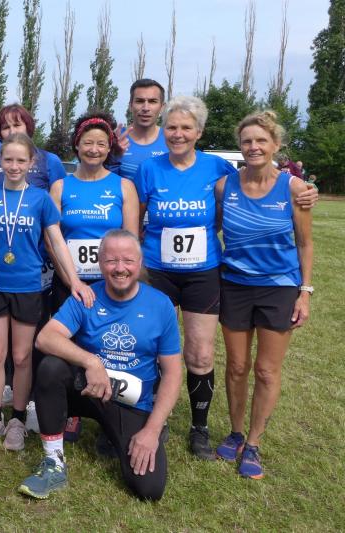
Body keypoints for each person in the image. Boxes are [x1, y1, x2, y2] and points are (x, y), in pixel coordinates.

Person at [134, 96, 318, 460]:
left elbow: (238, 207)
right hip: (158, 270)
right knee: (152, 347)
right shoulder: (151, 169)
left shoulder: (217, 169)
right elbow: (136, 217)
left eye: (186, 128)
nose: (178, 134)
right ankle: (154, 416)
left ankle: (200, 427)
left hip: (204, 273)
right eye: (172, 127)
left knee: (201, 353)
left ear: (199, 132)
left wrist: (303, 188)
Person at [18, 229, 181, 501]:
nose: (120, 268)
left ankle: (119, 432)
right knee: (50, 368)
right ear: (99, 262)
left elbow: (173, 373)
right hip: (88, 387)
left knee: (149, 489)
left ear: (140, 262)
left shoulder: (160, 305)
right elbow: (45, 338)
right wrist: (91, 361)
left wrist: (151, 430)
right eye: (111, 260)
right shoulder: (86, 297)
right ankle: (53, 462)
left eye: (127, 260)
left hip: (130, 401)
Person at [0, 133, 94, 451]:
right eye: (8, 160)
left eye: (20, 160)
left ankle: (17, 419)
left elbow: (56, 242)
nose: (14, 166)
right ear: (0, 162)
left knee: (22, 356)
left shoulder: (40, 198)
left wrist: (75, 280)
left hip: (28, 286)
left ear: (31, 163)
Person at [214, 111, 313, 479]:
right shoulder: (224, 186)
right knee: (237, 367)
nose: (253, 147)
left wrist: (304, 293)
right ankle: (236, 432)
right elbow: (212, 227)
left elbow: (305, 243)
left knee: (267, 371)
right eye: (247, 141)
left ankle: (253, 444)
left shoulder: (294, 188)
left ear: (276, 145)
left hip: (279, 288)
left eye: (261, 140)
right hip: (235, 285)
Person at [49, 111, 140, 310]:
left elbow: (131, 242)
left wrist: (121, 280)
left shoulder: (124, 186)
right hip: (69, 283)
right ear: (77, 145)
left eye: (101, 144)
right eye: (88, 143)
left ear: (109, 147)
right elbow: (51, 241)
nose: (94, 150)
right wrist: (71, 282)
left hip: (111, 282)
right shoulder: (59, 187)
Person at [0, 104, 66, 190]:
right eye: (6, 127)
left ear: (28, 127)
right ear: (0, 133)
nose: (12, 131)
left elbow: (61, 195)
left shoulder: (50, 160)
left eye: (17, 125)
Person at [114, 79, 169, 180]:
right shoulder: (114, 139)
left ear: (162, 107)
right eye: (139, 101)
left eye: (152, 101)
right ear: (130, 105)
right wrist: (112, 156)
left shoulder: (171, 139)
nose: (145, 108)